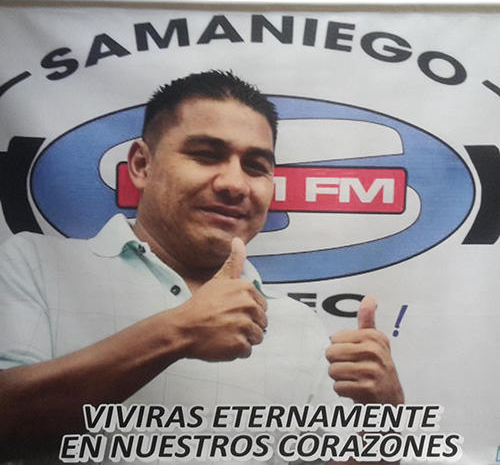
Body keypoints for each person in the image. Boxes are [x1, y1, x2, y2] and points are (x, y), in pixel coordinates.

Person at [0, 70, 403, 464]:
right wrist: (178, 331)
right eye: (206, 155)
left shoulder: (298, 324)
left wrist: (383, 424)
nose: (235, 183)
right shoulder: (33, 263)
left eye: (256, 165)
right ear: (141, 165)